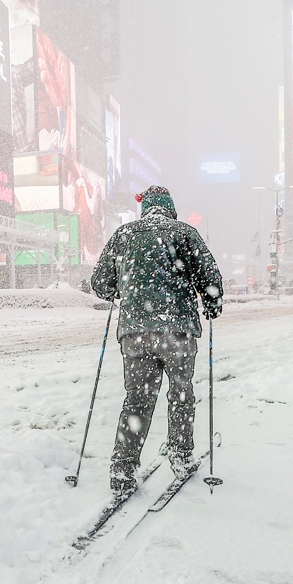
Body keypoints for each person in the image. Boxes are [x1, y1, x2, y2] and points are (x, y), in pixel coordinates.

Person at [91, 186, 223, 496]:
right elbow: (210, 277)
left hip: (135, 333)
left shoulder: (124, 234)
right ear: (170, 208)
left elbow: (99, 282)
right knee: (180, 393)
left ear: (145, 209)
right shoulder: (184, 233)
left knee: (137, 399)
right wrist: (211, 305)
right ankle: (180, 455)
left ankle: (122, 468)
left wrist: (121, 290)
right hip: (178, 331)